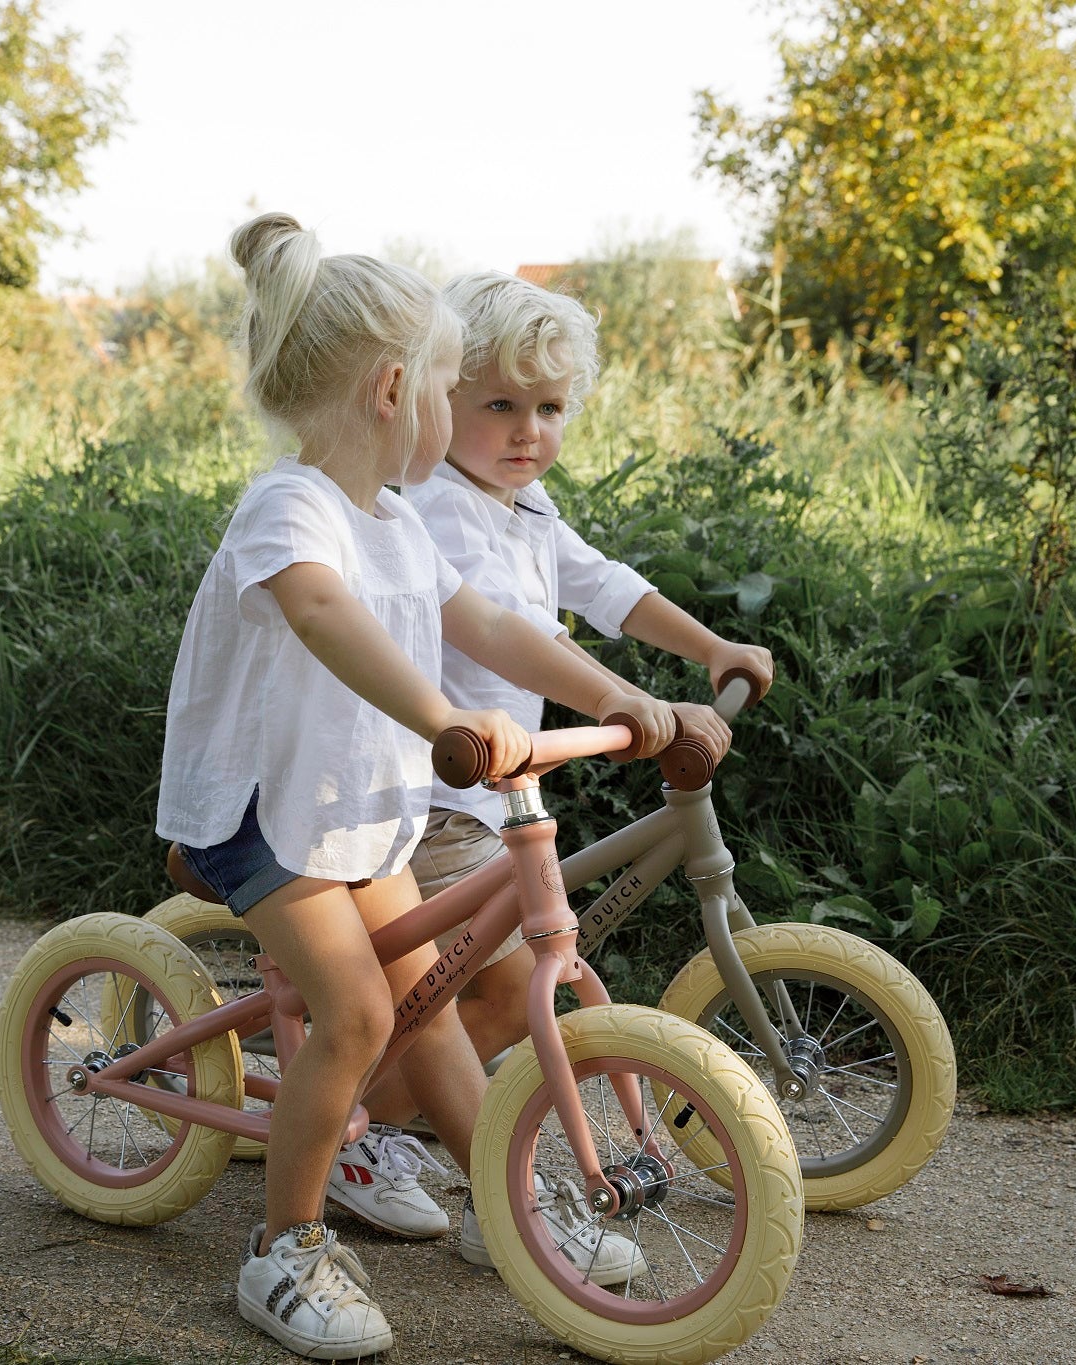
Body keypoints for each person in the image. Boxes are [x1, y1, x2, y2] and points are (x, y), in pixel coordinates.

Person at [158, 216, 674, 1360]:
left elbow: (487, 621)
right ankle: (283, 1249)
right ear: (395, 390)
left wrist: (614, 695)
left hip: (350, 809)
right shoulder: (289, 510)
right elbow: (321, 614)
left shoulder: (395, 521)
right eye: (450, 386)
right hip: (261, 814)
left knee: (424, 994)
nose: (452, 413)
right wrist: (443, 717)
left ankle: (508, 1199)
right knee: (354, 1014)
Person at [341, 272, 775, 1186]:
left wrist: (710, 647)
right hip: (431, 799)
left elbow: (604, 585)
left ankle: (382, 1111)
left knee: (485, 994)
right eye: (499, 404)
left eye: (550, 407)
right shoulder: (439, 511)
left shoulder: (526, 506)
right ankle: (363, 1129)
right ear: (440, 398)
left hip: (491, 796)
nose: (528, 430)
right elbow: (516, 633)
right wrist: (628, 699)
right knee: (486, 993)